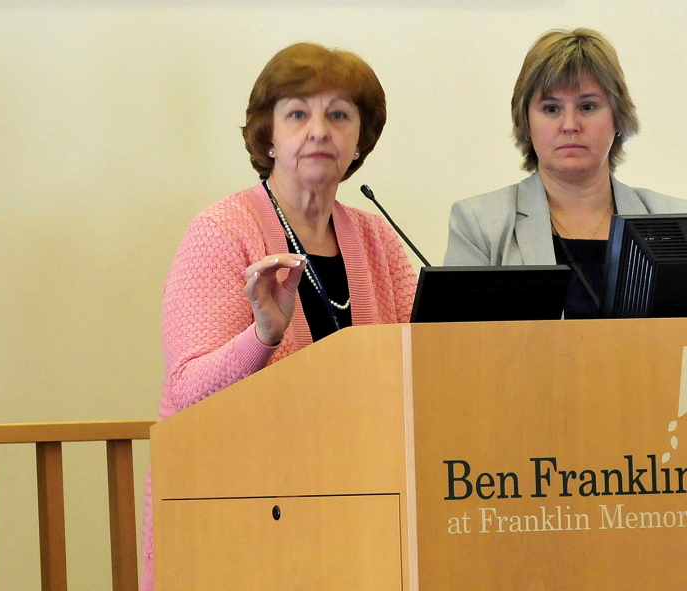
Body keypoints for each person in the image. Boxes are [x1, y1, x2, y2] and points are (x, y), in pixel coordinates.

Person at [140, 42, 417, 589]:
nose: (319, 130)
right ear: (268, 135)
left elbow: (417, 362)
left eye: (339, 114)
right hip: (233, 510)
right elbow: (188, 392)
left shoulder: (376, 238)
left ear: (360, 139)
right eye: (298, 113)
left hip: (355, 504)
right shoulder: (222, 231)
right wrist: (263, 336)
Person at [443, 28, 687, 318]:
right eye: (551, 108)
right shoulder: (480, 224)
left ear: (617, 116)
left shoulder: (675, 222)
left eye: (587, 106)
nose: (570, 124)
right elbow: (456, 348)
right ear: (526, 121)